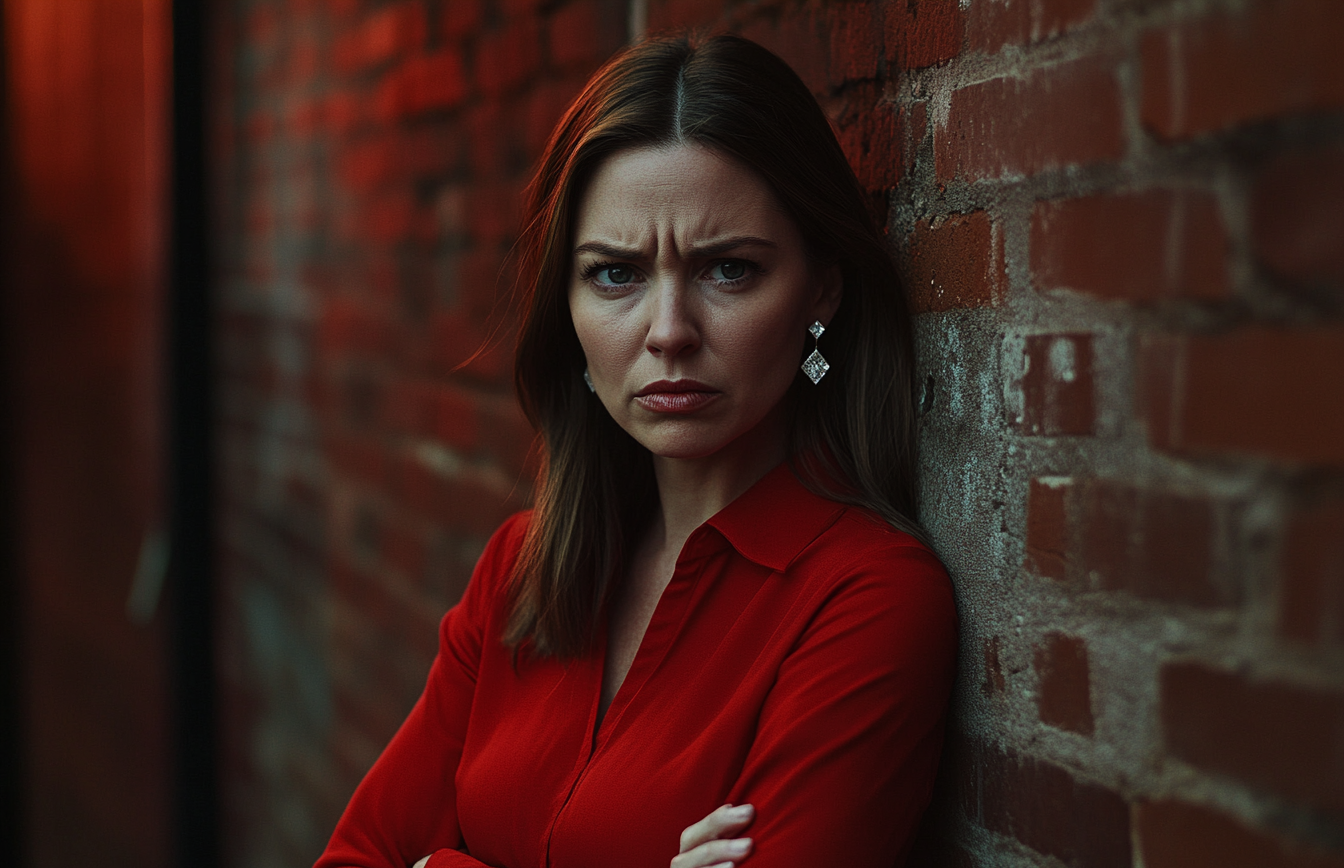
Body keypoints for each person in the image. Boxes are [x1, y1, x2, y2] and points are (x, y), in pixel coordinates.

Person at [316, 32, 956, 868]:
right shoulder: (521, 570)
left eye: (728, 269)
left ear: (820, 291)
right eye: (616, 275)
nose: (668, 333)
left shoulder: (868, 600)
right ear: (568, 305)